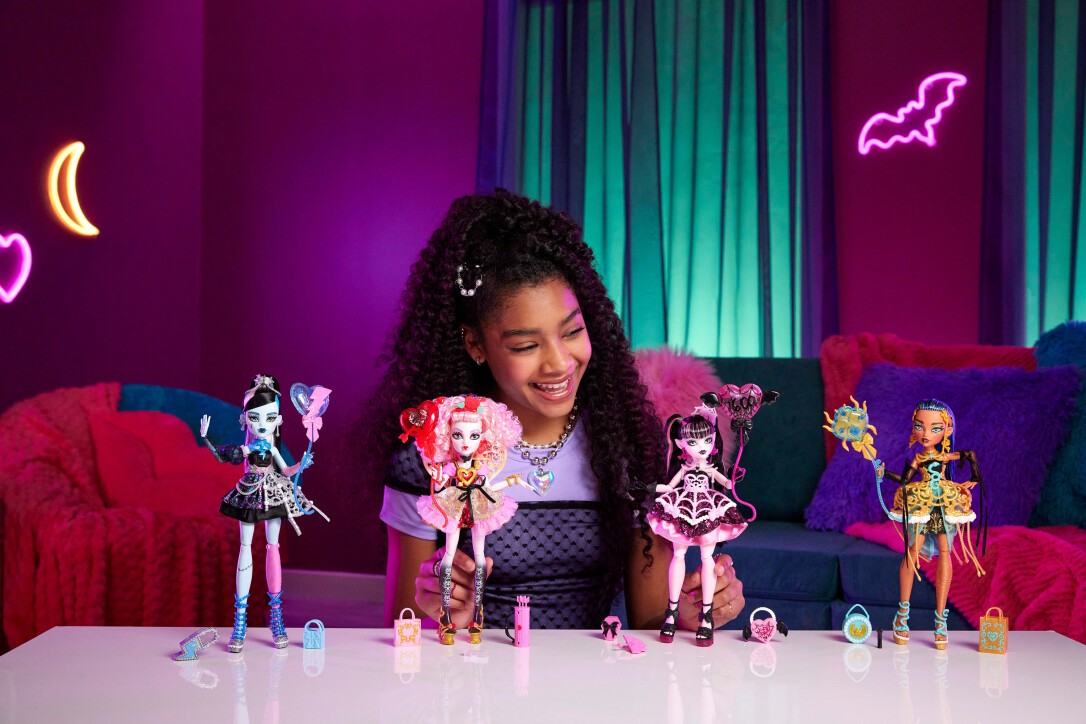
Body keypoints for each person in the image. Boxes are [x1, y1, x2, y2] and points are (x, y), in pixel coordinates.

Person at [370, 190, 745, 633]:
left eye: (572, 332)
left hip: (591, 675)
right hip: (476, 671)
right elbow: (403, 626)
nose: (559, 363)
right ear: (475, 344)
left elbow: (650, 621)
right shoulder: (429, 459)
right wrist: (445, 615)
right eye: (526, 345)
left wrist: (689, 615)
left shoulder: (628, 447)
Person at [200, 374, 316, 652]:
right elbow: (222, 456)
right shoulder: (248, 447)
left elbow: (286, 470)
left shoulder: (272, 447)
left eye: (269, 418)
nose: (262, 424)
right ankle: (240, 620)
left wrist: (301, 464)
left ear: (278, 419)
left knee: (273, 547)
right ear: (245, 419)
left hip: (274, 492)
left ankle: (276, 617)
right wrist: (206, 438)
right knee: (246, 548)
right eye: (255, 418)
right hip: (250, 493)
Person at [401, 394, 526, 643]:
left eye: (474, 436)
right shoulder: (450, 467)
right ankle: (446, 616)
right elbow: (439, 488)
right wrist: (438, 480)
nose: (466, 443)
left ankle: (477, 615)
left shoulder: (480, 468)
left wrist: (514, 481)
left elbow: (490, 485)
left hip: (479, 504)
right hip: (454, 504)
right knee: (448, 555)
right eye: (457, 435)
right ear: (447, 437)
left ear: (483, 438)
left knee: (480, 558)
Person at [878, 399, 984, 650]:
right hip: (921, 503)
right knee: (912, 551)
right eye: (919, 426)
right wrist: (884, 474)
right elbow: (905, 480)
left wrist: (975, 478)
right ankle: (902, 615)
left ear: (947, 430)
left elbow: (970, 455)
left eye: (935, 428)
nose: (925, 434)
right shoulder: (918, 458)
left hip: (944, 502)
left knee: (945, 553)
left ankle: (940, 620)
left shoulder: (944, 455)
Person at [648, 406, 748, 646]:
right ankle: (672, 613)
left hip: (707, 508)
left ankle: (706, 617)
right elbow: (669, 487)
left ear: (713, 441)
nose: (701, 446)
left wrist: (735, 476)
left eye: (707, 439)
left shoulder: (711, 469)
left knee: (707, 558)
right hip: (683, 506)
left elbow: (727, 482)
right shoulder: (684, 468)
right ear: (681, 444)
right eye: (693, 441)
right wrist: (648, 487)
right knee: (678, 555)